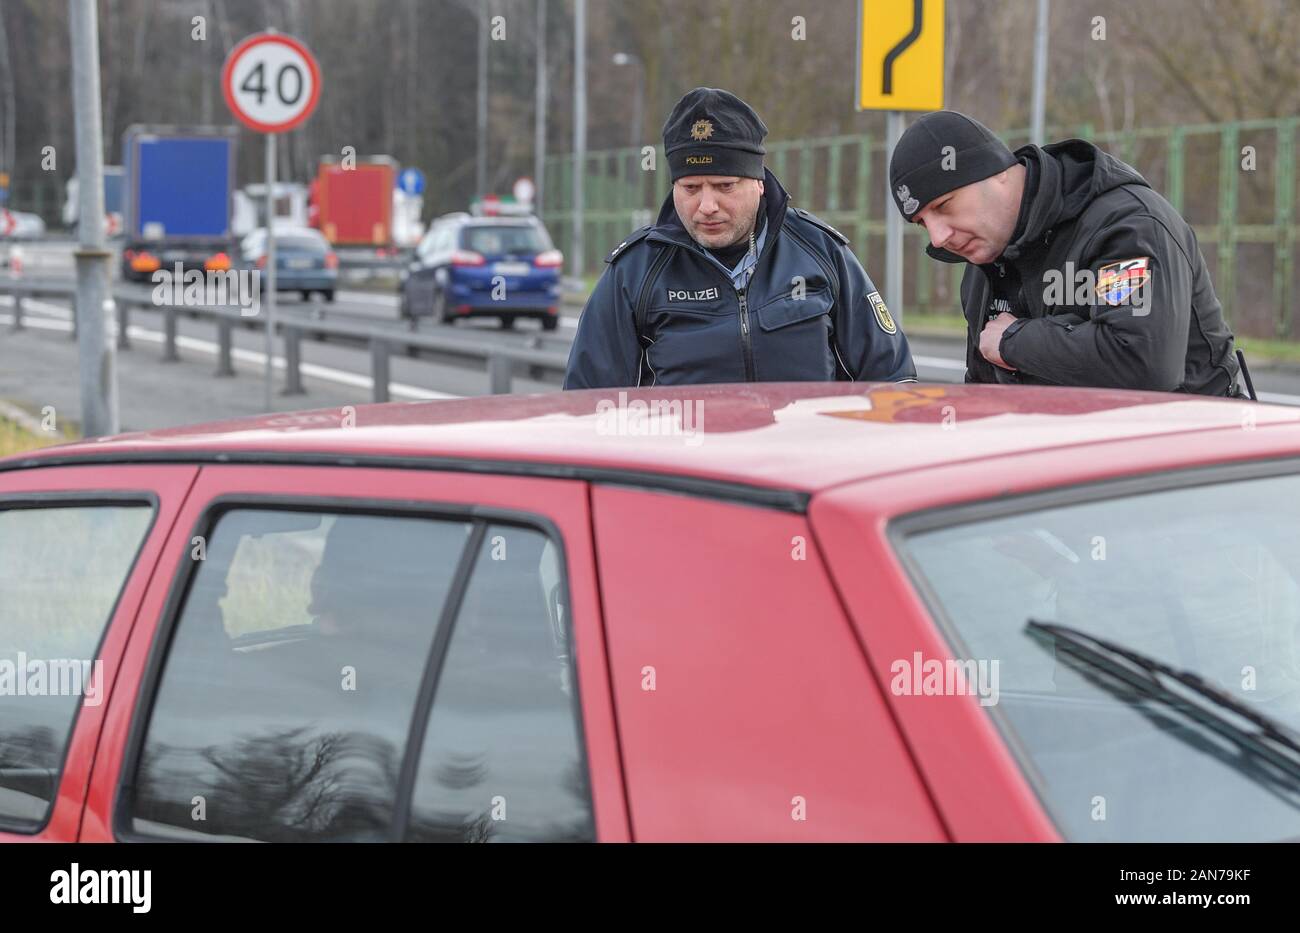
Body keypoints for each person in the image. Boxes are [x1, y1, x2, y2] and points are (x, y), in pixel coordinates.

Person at [564, 87, 915, 389]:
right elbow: (588, 404)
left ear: (759, 183)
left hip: (804, 464)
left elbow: (890, 378)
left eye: (724, 186)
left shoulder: (821, 252)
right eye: (690, 188)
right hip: (685, 467)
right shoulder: (634, 272)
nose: (706, 205)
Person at [888, 110, 1244, 396]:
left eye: (945, 205)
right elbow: (984, 394)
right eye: (922, 223)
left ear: (996, 174)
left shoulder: (1125, 226)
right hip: (1081, 469)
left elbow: (1139, 362)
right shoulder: (984, 263)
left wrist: (1014, 341)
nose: (937, 237)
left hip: (1194, 469)